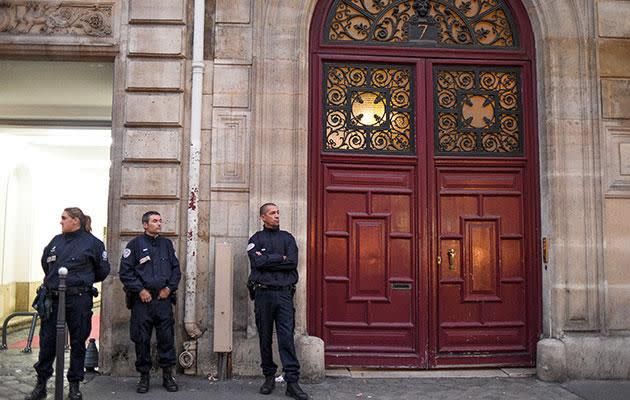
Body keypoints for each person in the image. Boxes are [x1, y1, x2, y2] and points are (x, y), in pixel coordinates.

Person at [25, 207, 110, 400]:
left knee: (78, 342)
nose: (61, 221)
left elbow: (102, 271)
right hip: (54, 299)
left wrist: (80, 281)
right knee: (47, 342)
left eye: (64, 218)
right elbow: (46, 263)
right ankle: (41, 385)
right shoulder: (56, 241)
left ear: (75, 220)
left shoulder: (93, 244)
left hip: (78, 299)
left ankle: (74, 386)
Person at [247, 203, 309, 400]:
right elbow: (256, 262)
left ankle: (292, 382)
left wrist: (268, 259)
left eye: (278, 212)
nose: (276, 216)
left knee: (286, 337)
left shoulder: (288, 238)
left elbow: (291, 262)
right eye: (272, 213)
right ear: (262, 217)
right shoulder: (255, 239)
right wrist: (279, 258)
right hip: (263, 295)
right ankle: (268, 376)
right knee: (264, 336)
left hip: (283, 295)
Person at [119, 211, 181, 393]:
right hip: (142, 303)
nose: (159, 224)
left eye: (160, 221)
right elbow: (125, 272)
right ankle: (144, 377)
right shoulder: (135, 245)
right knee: (142, 340)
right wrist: (140, 290)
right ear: (145, 225)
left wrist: (169, 288)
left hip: (163, 300)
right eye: (155, 221)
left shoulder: (167, 244)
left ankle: (167, 376)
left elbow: (176, 270)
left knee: (166, 339)